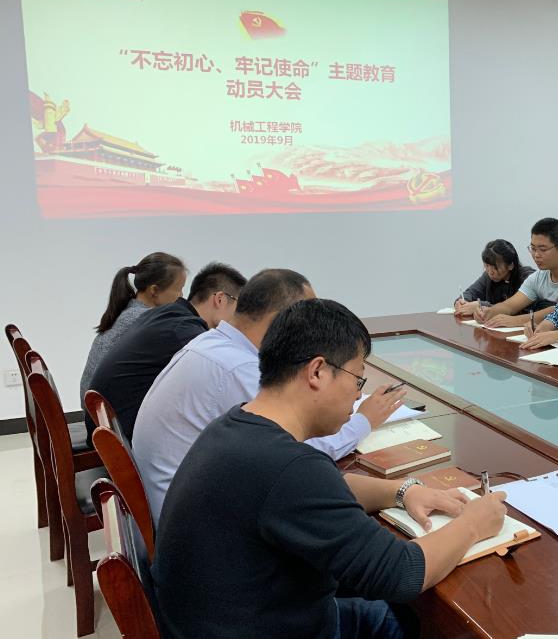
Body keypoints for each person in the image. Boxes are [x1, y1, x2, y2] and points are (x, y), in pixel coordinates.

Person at [152, 298, 508, 638]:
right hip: (273, 627)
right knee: (415, 620)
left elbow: (328, 487)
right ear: (318, 372)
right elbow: (401, 573)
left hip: (237, 618)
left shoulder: (238, 426)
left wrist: (404, 490)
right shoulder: (288, 468)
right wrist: (474, 523)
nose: (357, 395)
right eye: (357, 380)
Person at [133, 269, 407, 522]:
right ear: (282, 320)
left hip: (178, 503)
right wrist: (364, 420)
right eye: (308, 317)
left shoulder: (212, 342)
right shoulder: (240, 368)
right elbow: (305, 451)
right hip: (191, 520)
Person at [85, 262, 247, 441]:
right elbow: (229, 374)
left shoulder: (167, 316)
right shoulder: (185, 332)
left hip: (105, 426)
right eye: (240, 306)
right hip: (121, 440)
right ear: (220, 299)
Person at [80, 252, 187, 393]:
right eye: (179, 289)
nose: (182, 296)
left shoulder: (126, 312)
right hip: (109, 404)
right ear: (154, 290)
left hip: (93, 403)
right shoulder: (149, 322)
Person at [478, 218, 558, 328]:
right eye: (533, 248)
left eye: (543, 249)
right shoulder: (538, 277)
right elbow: (510, 306)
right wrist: (489, 312)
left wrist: (516, 320)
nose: (536, 255)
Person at [453, 239, 534, 317]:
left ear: (510, 265)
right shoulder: (488, 276)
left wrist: (482, 306)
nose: (490, 272)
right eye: (487, 265)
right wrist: (462, 302)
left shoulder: (527, 278)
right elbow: (470, 293)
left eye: (495, 267)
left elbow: (517, 311)